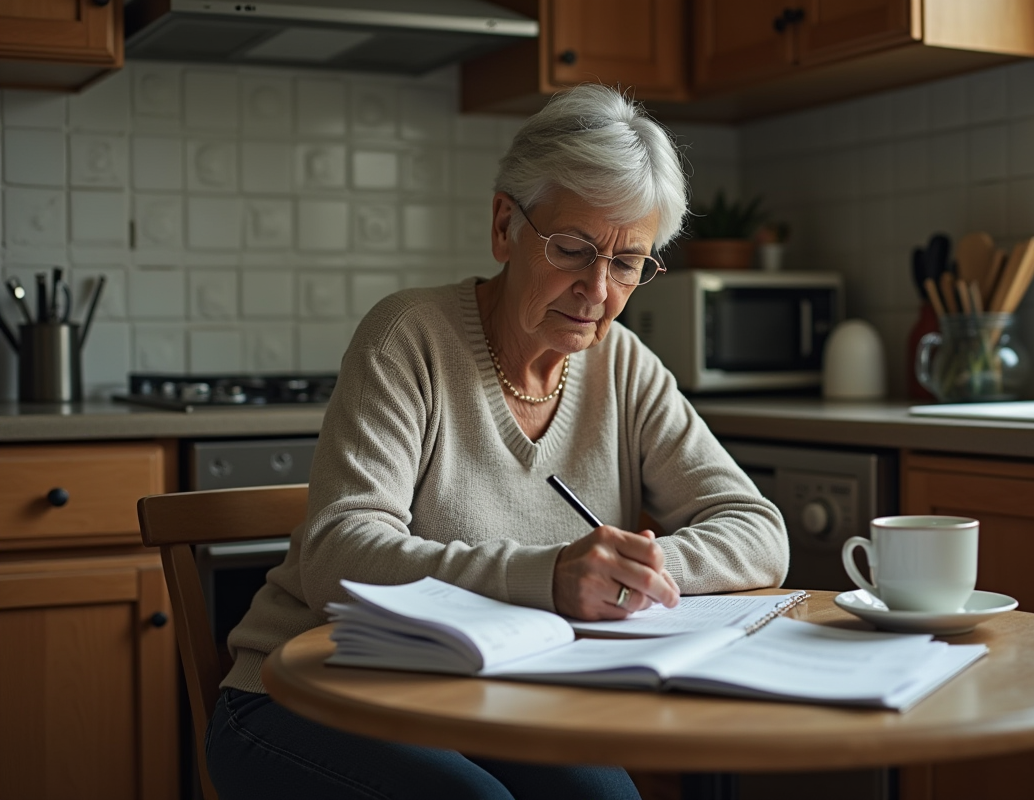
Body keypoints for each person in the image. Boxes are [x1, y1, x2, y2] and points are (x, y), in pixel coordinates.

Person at [206, 83, 789, 800]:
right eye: (573, 249)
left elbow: (759, 530)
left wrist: (632, 571)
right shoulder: (409, 338)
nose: (597, 290)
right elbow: (337, 556)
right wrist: (548, 577)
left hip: (491, 695)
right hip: (305, 694)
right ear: (503, 225)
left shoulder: (624, 366)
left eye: (627, 262)